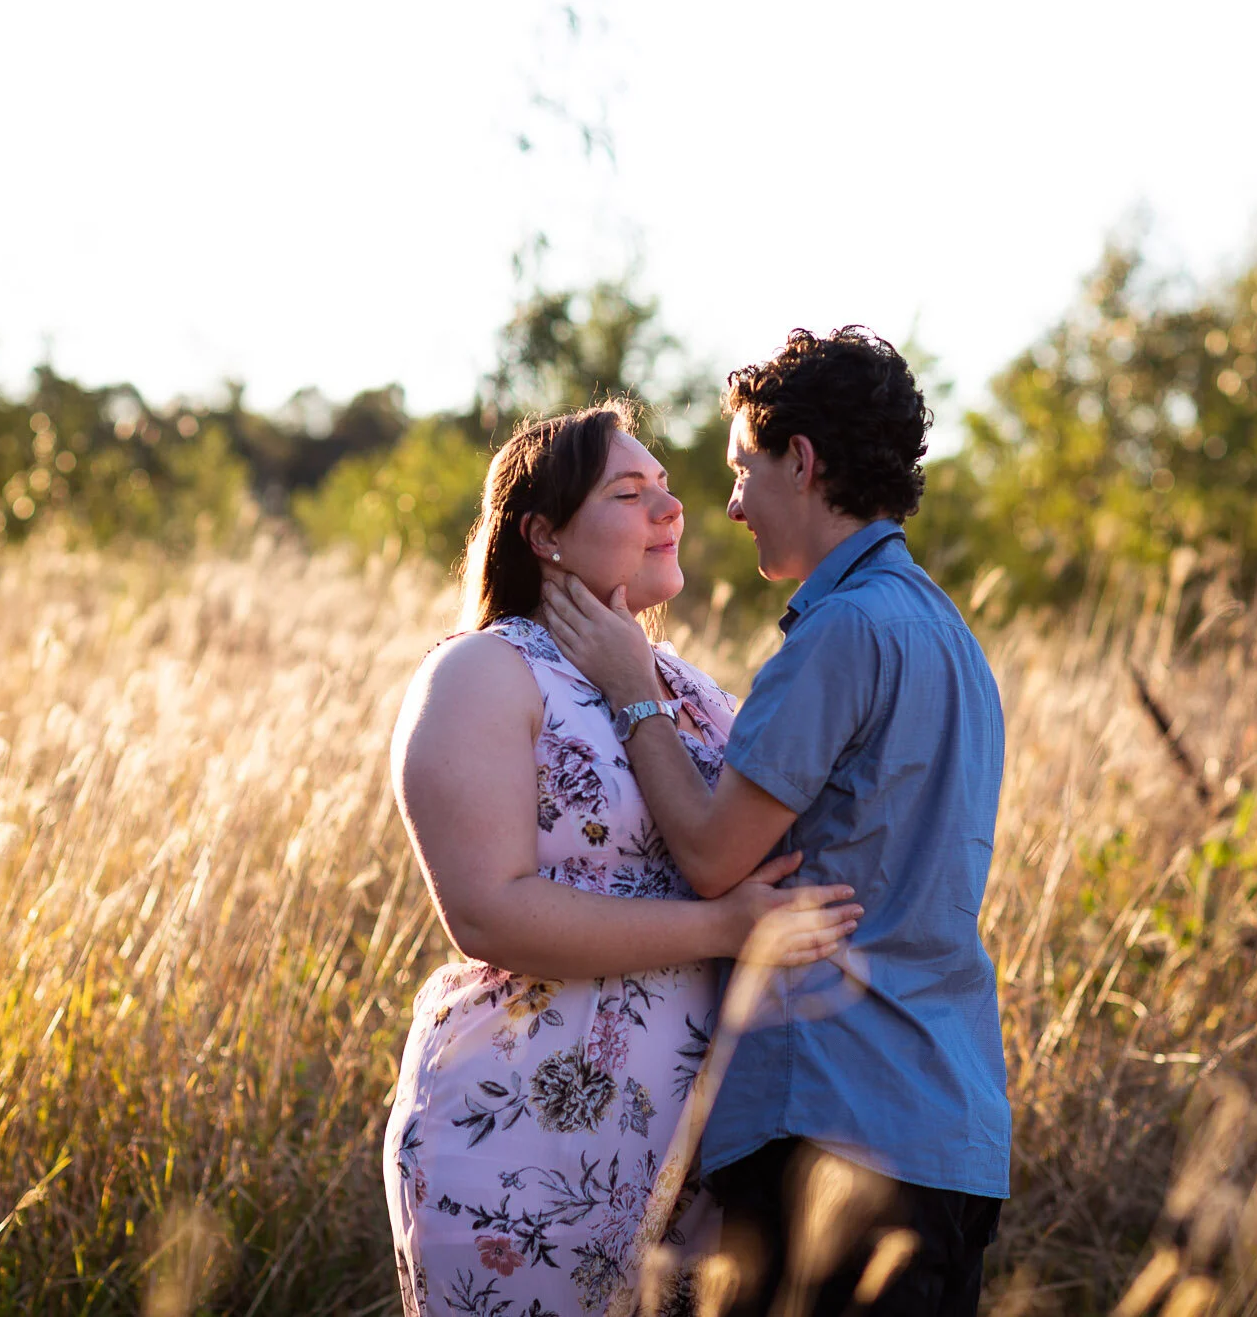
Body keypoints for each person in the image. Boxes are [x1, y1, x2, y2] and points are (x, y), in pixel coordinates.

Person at [542, 328, 1010, 1317]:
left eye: (741, 469)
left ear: (801, 460)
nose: (730, 503)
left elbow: (715, 854)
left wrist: (632, 688)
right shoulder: (949, 636)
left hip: (836, 1123)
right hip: (951, 1132)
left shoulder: (844, 629)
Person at [383, 401, 865, 1317]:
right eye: (629, 492)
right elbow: (486, 911)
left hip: (694, 1156)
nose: (670, 508)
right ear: (544, 535)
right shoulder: (483, 672)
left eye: (666, 488)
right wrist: (721, 927)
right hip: (526, 1141)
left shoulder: (687, 687)